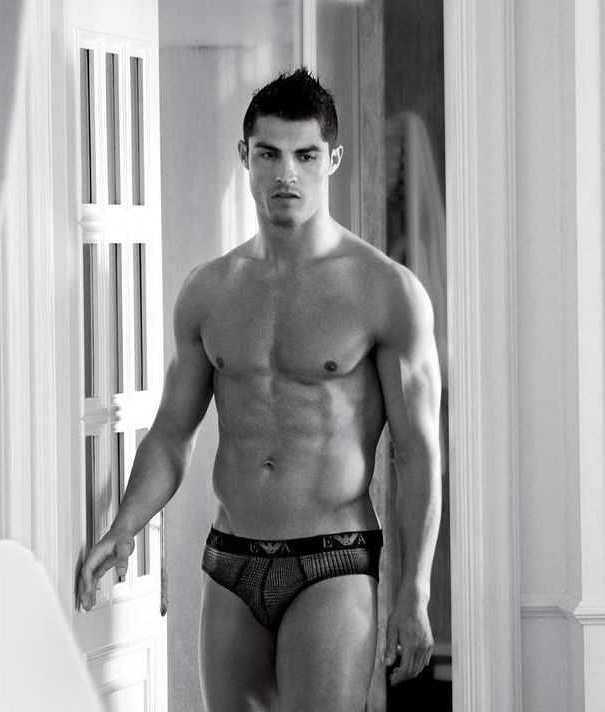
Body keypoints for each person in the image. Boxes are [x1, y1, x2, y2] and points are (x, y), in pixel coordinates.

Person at [77, 67, 442, 712]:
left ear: (332, 158)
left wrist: (414, 590)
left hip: (331, 559)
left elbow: (417, 454)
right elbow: (172, 431)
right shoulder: (210, 289)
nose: (286, 175)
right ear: (244, 155)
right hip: (230, 559)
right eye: (269, 154)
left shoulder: (385, 290)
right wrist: (127, 522)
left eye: (305, 156)